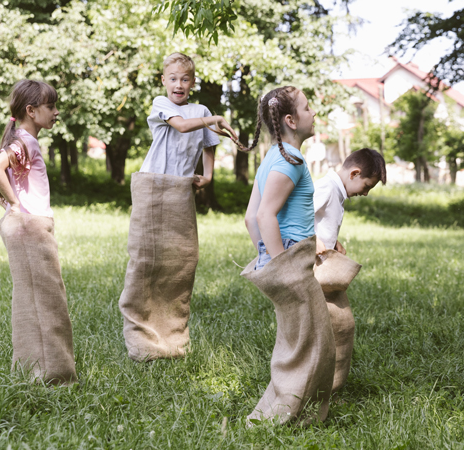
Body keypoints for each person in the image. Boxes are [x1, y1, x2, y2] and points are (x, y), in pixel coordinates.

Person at [118, 52, 240, 362]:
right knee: (146, 259)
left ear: (193, 82)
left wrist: (209, 175)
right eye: (173, 78)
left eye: (185, 79)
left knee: (179, 262)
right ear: (163, 81)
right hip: (153, 185)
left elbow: (210, 144)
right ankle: (141, 338)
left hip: (180, 190)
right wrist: (212, 119)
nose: (179, 84)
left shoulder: (201, 109)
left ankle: (172, 339)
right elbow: (184, 127)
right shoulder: (162, 104)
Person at [240, 86, 336, 425]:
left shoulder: (273, 157)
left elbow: (250, 217)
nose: (314, 113)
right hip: (291, 260)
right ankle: (286, 418)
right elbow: (265, 216)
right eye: (308, 108)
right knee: (313, 346)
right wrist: (282, 267)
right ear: (291, 120)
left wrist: (265, 255)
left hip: (281, 257)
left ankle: (292, 413)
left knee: (297, 343)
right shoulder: (290, 161)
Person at [0, 79, 77, 385]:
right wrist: (16, 203)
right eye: (51, 106)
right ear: (31, 111)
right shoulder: (26, 142)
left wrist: (4, 199)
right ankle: (50, 374)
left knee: (34, 297)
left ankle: (35, 368)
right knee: (46, 299)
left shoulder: (17, 139)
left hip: (26, 226)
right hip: (32, 226)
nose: (56, 112)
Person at [313, 148, 386, 394]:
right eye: (366, 186)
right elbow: (298, 215)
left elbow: (323, 221)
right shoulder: (327, 188)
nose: (365, 193)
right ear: (354, 173)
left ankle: (331, 387)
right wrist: (312, 240)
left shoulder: (338, 191)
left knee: (341, 324)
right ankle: (321, 385)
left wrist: (333, 242)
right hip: (312, 265)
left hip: (324, 260)